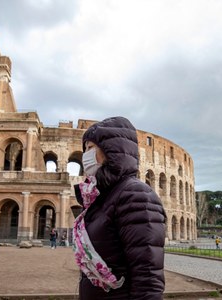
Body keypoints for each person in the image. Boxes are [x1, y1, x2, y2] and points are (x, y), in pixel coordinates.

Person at [72, 116, 166, 299]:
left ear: (111, 150)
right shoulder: (101, 198)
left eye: (90, 148)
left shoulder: (136, 196)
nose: (85, 156)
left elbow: (147, 278)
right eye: (84, 150)